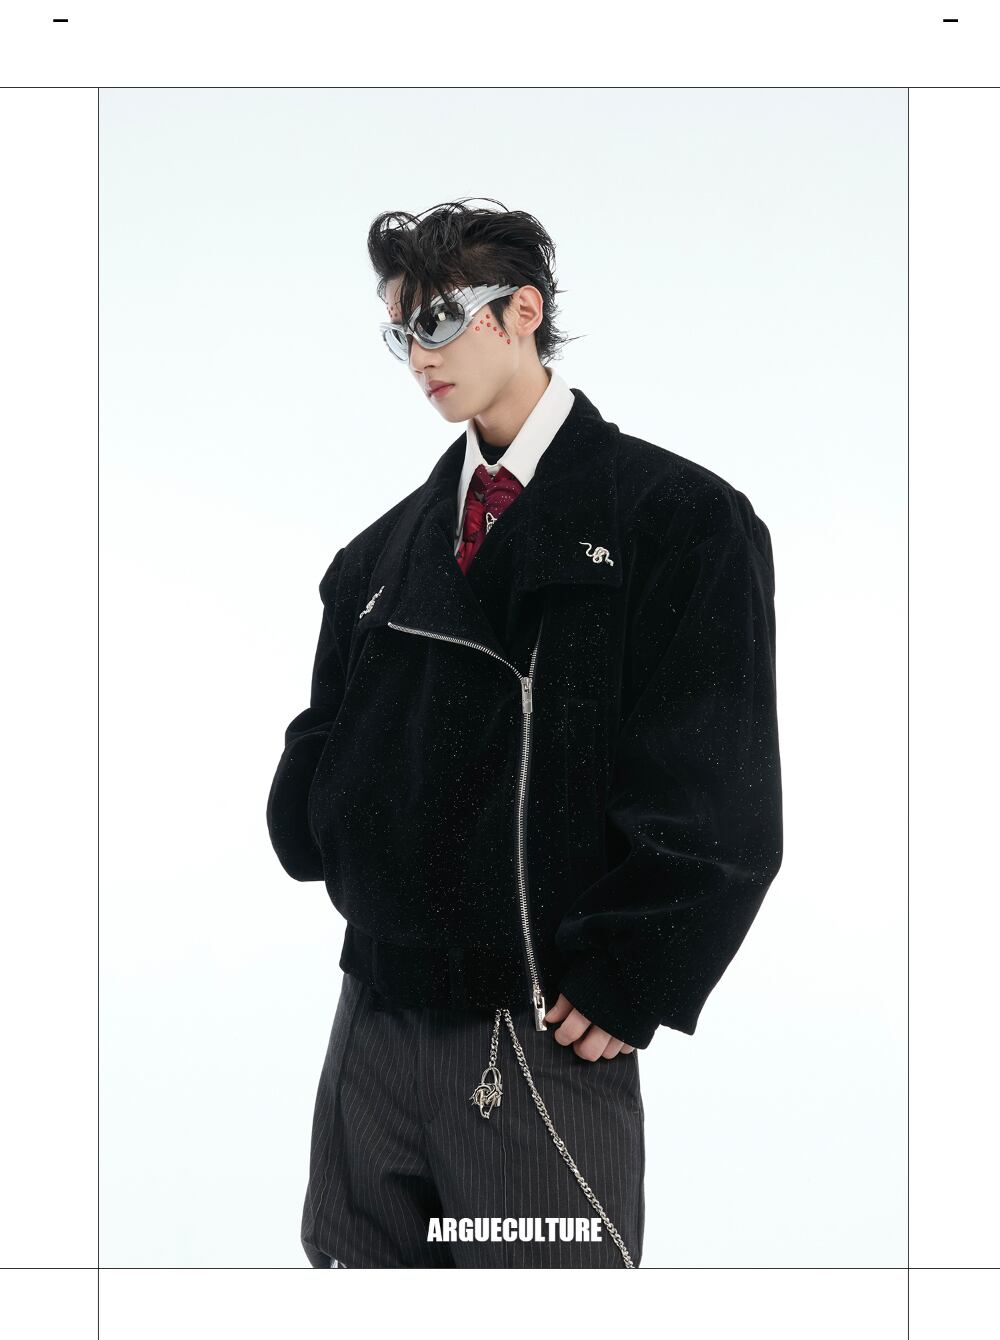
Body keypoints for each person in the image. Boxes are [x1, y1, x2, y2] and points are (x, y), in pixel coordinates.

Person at [265, 197, 783, 1269]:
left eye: (440, 318)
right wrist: (326, 811)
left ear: (523, 312)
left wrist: (636, 967)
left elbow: (721, 780)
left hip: (540, 1024)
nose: (421, 354)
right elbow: (316, 757)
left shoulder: (676, 519)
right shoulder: (377, 556)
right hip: (371, 1021)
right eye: (400, 330)